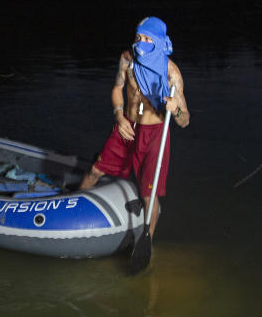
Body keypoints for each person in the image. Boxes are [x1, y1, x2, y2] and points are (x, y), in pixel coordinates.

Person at [79, 17, 190, 239]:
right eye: (138, 37)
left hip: (154, 134)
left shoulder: (172, 74)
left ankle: (147, 241)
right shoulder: (128, 59)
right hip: (126, 127)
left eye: (147, 38)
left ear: (158, 41)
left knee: (148, 193)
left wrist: (176, 109)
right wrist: (119, 116)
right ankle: (74, 205)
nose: (141, 43)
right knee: (94, 171)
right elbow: (117, 88)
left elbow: (185, 120)